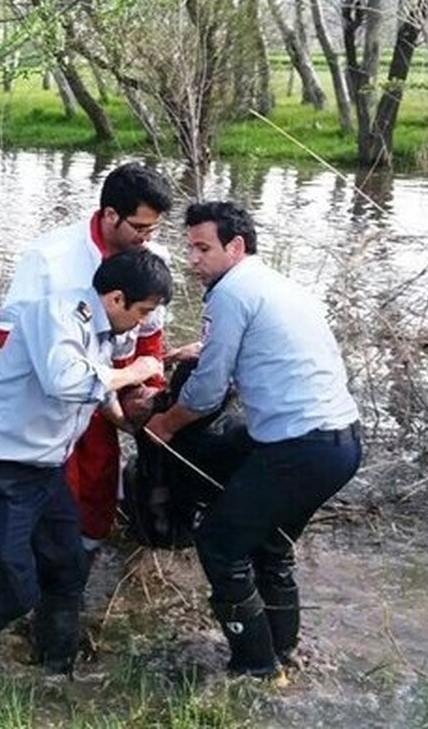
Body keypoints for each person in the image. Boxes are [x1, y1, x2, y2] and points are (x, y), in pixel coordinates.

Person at [146, 201, 362, 679]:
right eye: (190, 248)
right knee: (270, 545)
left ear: (235, 246)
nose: (192, 260)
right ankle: (284, 654)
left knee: (220, 544)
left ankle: (255, 671)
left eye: (203, 248)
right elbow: (266, 340)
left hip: (299, 447)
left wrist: (165, 424)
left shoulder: (229, 294)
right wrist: (199, 349)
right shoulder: (275, 283)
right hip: (342, 443)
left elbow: (206, 391)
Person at [0, 249, 173, 675]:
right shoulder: (58, 314)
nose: (146, 322)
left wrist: (128, 425)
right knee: (16, 593)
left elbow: (99, 386)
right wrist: (139, 370)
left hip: (45, 466)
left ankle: (57, 666)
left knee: (67, 564)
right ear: (115, 298)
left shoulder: (104, 327)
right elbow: (68, 381)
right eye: (144, 311)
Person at [0, 162, 175, 555]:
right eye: (140, 228)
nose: (147, 238)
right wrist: (73, 380)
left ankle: (80, 565)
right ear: (110, 215)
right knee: (54, 485)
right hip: (50, 394)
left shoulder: (153, 258)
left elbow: (150, 336)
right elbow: (6, 335)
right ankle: (42, 573)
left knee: (99, 482)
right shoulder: (50, 257)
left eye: (153, 229)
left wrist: (147, 391)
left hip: (113, 388)